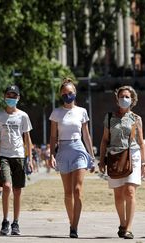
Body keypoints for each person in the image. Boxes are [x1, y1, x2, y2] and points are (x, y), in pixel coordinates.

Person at [98, 85, 145, 239]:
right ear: (117, 99)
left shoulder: (136, 119)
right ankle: (122, 223)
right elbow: (104, 140)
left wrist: (144, 163)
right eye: (121, 96)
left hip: (132, 155)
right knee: (118, 194)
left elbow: (141, 143)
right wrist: (101, 160)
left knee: (130, 192)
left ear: (132, 99)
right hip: (114, 156)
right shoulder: (109, 117)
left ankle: (128, 228)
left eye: (127, 97)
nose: (124, 99)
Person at [48, 78, 96, 238]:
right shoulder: (56, 113)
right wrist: (51, 155)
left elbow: (86, 135)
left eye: (70, 93)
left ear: (75, 93)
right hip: (63, 150)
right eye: (64, 93)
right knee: (68, 192)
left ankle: (74, 227)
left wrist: (92, 156)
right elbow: (53, 136)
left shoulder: (82, 111)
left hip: (79, 149)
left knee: (77, 190)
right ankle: (71, 222)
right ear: (61, 95)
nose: (67, 95)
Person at [0, 85, 33, 236]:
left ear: (18, 98)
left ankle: (16, 223)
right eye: (9, 95)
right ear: (4, 96)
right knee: (7, 186)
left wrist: (29, 158)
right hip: (4, 156)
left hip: (19, 156)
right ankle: (5, 220)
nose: (11, 98)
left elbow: (27, 138)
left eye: (14, 95)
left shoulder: (23, 116)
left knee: (17, 191)